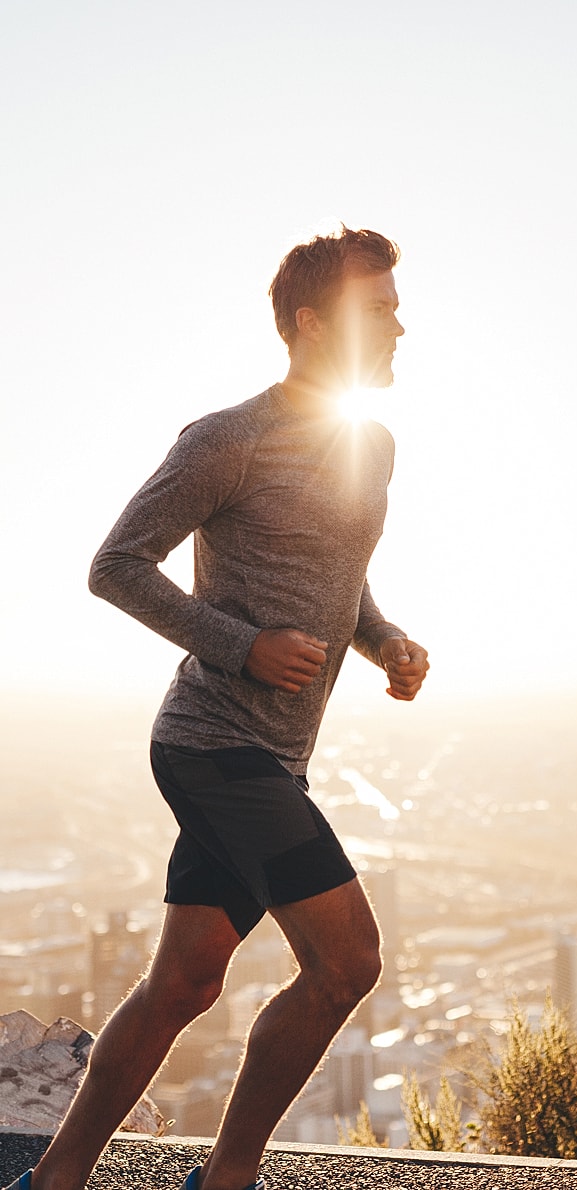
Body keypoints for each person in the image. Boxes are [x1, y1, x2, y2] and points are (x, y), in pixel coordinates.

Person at [5, 226, 429, 1190]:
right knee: (348, 963)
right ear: (313, 324)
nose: (400, 326)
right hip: (212, 744)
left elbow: (340, 578)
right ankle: (228, 1178)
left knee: (185, 982)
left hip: (276, 756)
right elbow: (115, 566)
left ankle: (54, 1179)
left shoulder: (372, 445)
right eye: (378, 309)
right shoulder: (226, 438)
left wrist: (385, 641)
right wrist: (243, 646)